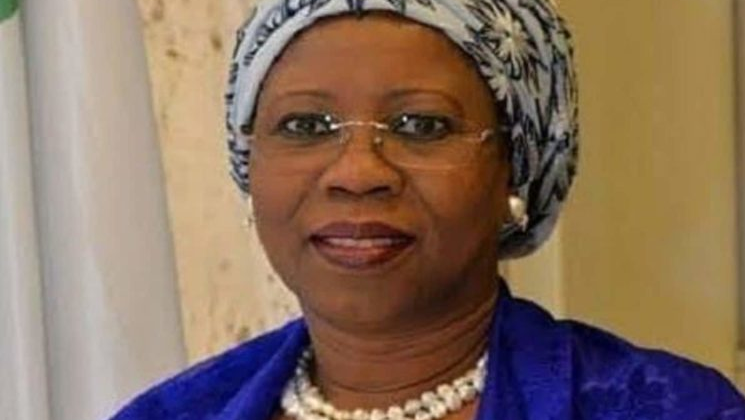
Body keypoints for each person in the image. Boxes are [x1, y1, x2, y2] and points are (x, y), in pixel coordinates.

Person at [111, 0, 745, 418]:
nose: (357, 173)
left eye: (422, 125)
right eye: (305, 125)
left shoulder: (668, 408)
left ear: (514, 167)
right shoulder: (170, 414)